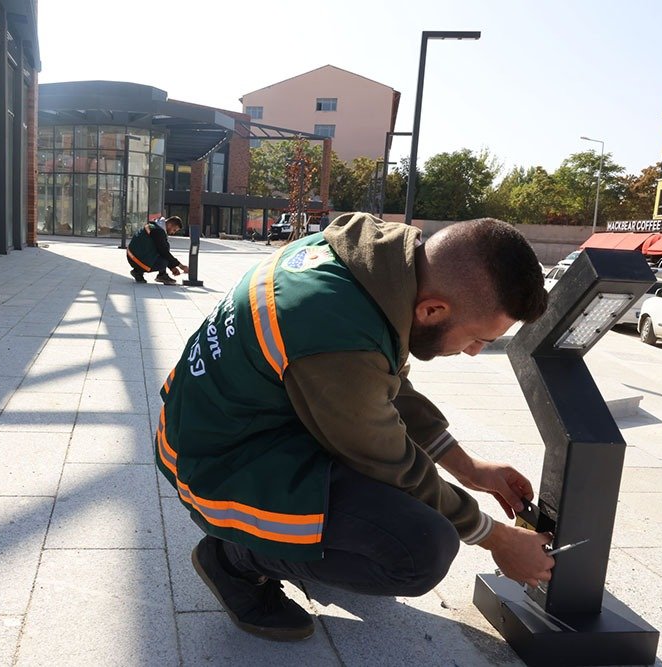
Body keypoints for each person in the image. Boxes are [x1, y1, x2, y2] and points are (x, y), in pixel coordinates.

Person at [155, 212, 552, 641]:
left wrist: (469, 467)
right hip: (217, 464)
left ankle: (294, 546)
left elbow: (380, 384)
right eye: (479, 339)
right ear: (433, 310)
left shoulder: (374, 262)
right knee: (421, 548)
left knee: (386, 511)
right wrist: (495, 538)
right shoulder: (332, 331)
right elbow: (391, 459)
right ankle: (233, 558)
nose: (474, 352)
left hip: (233, 425)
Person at [127, 215, 188, 285]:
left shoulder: (155, 225)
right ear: (170, 224)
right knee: (163, 262)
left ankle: (144, 272)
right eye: (174, 230)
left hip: (132, 255)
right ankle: (139, 272)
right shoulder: (158, 231)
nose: (173, 233)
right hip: (136, 258)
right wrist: (181, 266)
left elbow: (161, 249)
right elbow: (163, 252)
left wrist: (172, 267)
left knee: (164, 246)